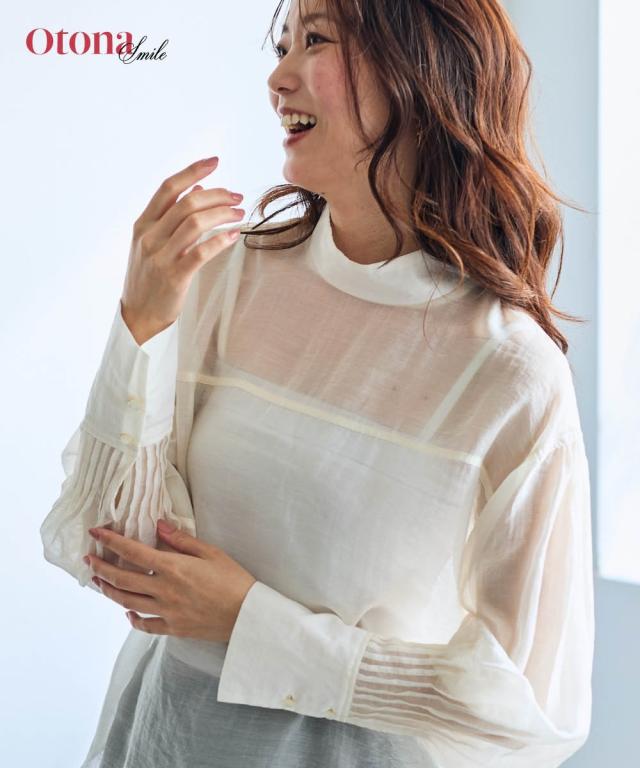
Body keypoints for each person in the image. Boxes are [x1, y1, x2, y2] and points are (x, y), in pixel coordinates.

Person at [40, 0, 595, 766]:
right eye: (282, 45)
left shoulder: (508, 370)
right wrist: (142, 319)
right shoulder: (228, 277)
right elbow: (106, 547)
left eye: (317, 40)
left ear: (422, 71)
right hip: (161, 737)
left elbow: (528, 708)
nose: (277, 77)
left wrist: (253, 625)